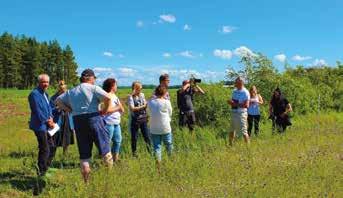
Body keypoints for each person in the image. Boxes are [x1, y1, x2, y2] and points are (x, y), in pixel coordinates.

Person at [55, 69, 113, 183]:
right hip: (94, 119)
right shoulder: (93, 88)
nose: (94, 81)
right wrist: (104, 111)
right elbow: (108, 98)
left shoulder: (72, 91)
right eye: (94, 78)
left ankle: (86, 182)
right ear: (90, 78)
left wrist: (69, 109)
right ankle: (109, 179)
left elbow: (57, 100)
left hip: (78, 122)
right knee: (105, 150)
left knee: (84, 155)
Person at [28, 74, 57, 177]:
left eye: (47, 82)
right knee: (45, 148)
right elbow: (37, 111)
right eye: (43, 82)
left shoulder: (46, 94)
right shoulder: (34, 94)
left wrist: (51, 118)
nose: (45, 84)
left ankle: (46, 167)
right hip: (39, 125)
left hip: (47, 124)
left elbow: (49, 108)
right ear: (39, 82)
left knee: (52, 147)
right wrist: (47, 121)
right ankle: (42, 172)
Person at [148, 85, 173, 172]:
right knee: (169, 145)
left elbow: (149, 112)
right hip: (165, 127)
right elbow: (170, 113)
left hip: (154, 128)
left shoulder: (151, 102)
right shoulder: (167, 102)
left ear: (155, 92)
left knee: (157, 148)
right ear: (165, 93)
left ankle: (158, 167)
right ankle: (172, 162)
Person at [50, 80, 75, 156]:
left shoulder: (68, 97)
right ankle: (52, 154)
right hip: (57, 119)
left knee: (67, 136)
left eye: (64, 89)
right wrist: (57, 108)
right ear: (58, 89)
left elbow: (72, 107)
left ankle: (65, 153)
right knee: (55, 136)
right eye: (61, 89)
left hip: (67, 118)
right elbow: (50, 109)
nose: (63, 91)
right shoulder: (53, 97)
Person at [102, 78, 124, 162]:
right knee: (107, 143)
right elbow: (107, 110)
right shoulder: (108, 96)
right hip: (108, 123)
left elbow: (122, 110)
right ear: (112, 86)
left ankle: (115, 160)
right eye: (116, 85)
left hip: (116, 123)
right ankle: (107, 161)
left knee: (118, 141)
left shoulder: (115, 96)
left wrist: (119, 108)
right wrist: (118, 107)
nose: (117, 87)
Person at [127, 81, 151, 157]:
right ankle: (134, 154)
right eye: (139, 88)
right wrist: (143, 106)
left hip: (143, 119)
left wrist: (145, 106)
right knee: (134, 138)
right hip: (135, 120)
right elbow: (132, 108)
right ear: (135, 88)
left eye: (141, 88)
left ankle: (151, 152)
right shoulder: (130, 97)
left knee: (147, 136)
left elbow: (145, 104)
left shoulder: (142, 95)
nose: (141, 90)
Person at [228, 77, 250, 145]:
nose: (235, 84)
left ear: (241, 83)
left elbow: (247, 105)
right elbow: (233, 100)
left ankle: (248, 148)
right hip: (233, 112)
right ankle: (230, 145)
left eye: (237, 82)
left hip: (241, 114)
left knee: (244, 131)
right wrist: (230, 102)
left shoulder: (245, 92)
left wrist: (234, 104)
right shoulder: (234, 91)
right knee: (231, 130)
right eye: (235, 82)